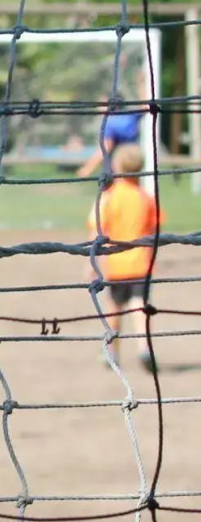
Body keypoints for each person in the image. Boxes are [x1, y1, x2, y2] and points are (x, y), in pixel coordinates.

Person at [87, 142, 164, 374]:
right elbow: (154, 230)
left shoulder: (108, 197)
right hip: (141, 262)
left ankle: (111, 352)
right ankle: (144, 348)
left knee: (115, 308)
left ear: (117, 166)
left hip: (116, 263)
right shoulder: (145, 197)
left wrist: (91, 263)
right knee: (140, 306)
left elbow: (96, 229)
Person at [76, 96, 146, 178]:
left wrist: (87, 169)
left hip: (116, 169)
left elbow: (105, 148)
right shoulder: (131, 116)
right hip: (133, 165)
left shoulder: (110, 122)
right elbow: (145, 108)